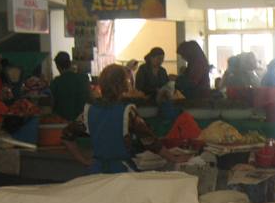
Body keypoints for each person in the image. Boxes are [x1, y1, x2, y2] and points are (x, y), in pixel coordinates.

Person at [61, 64, 189, 174]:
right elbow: (150, 141)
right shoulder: (127, 113)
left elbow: (66, 136)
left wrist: (84, 160)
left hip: (96, 172)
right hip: (121, 172)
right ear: (122, 85)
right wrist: (173, 158)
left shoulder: (88, 112)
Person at [50, 51, 91, 122]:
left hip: (63, 123)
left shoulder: (56, 82)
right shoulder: (84, 78)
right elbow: (90, 98)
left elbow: (52, 103)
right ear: (70, 63)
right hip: (83, 121)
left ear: (57, 66)